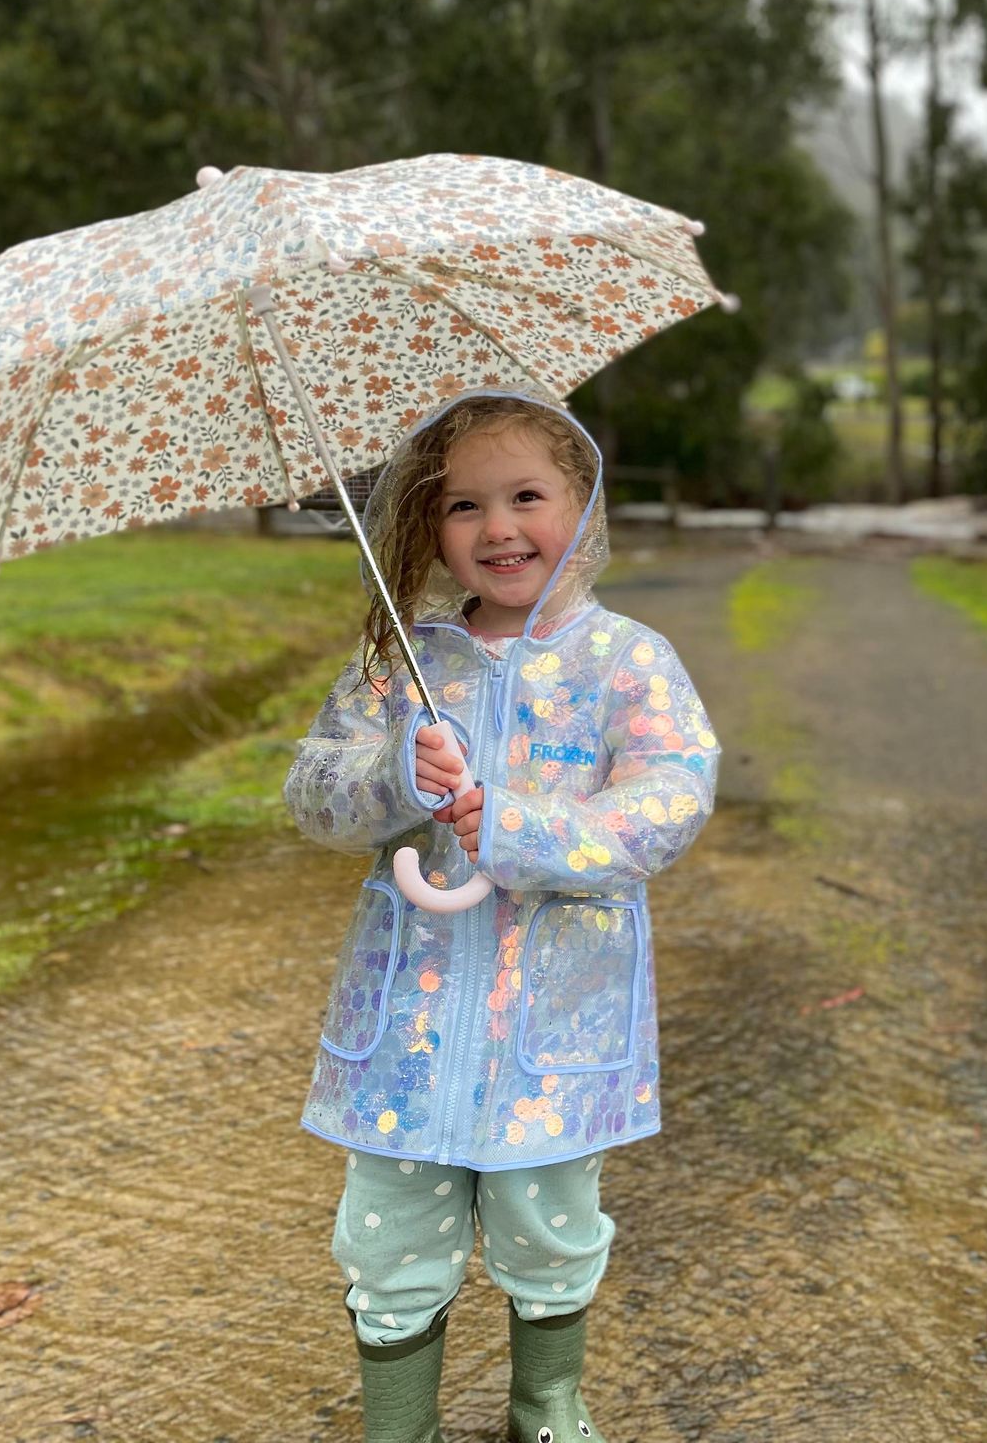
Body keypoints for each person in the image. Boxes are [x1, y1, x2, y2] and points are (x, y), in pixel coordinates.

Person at [285, 387, 717, 1442]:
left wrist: (514, 826)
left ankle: (546, 1401)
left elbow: (665, 806)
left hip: (555, 1020)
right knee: (388, 1231)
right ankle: (398, 1422)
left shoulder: (628, 662)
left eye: (525, 496)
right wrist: (395, 768)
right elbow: (315, 797)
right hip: (410, 1027)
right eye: (464, 507)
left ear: (585, 503)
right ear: (430, 528)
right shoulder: (405, 662)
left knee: (548, 1220)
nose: (498, 529)